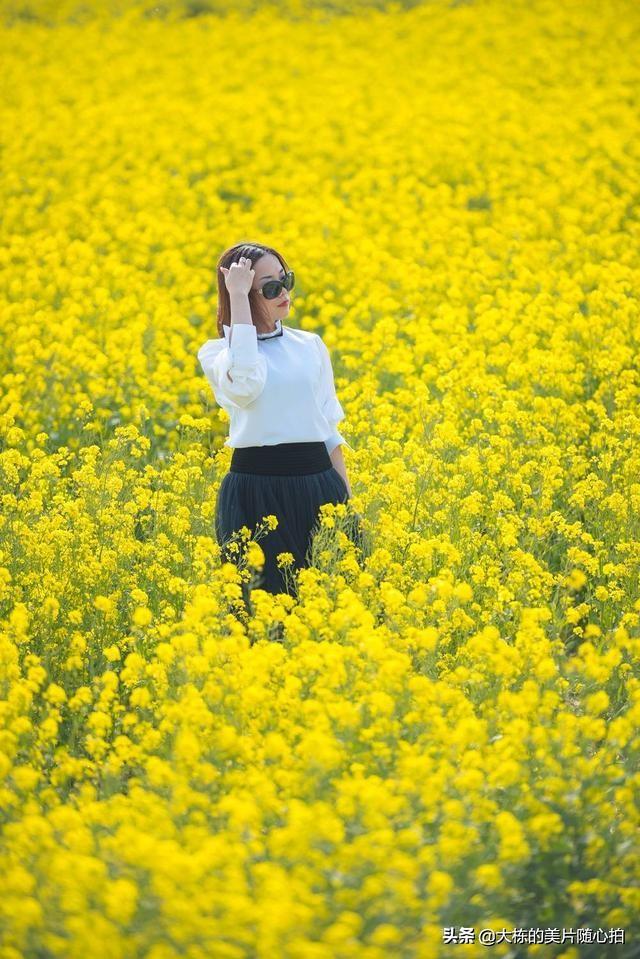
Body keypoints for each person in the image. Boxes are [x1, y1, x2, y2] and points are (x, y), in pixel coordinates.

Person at [197, 242, 363, 600]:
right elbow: (245, 384)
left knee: (333, 606)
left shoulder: (310, 345)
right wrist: (238, 299)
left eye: (286, 280)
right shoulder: (218, 355)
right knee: (262, 614)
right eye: (270, 288)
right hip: (254, 495)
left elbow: (328, 430)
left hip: (319, 487)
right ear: (239, 294)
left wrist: (347, 501)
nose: (284, 293)